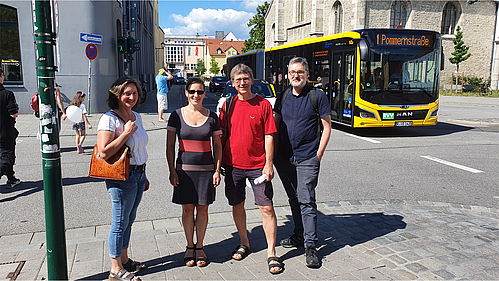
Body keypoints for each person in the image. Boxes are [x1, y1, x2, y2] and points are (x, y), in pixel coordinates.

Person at [219, 64, 283, 274]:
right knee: (238, 205)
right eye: (238, 79)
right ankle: (244, 242)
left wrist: (269, 163)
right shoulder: (228, 105)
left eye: (245, 78)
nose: (242, 83)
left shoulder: (263, 105)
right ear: (232, 83)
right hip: (233, 165)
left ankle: (271, 253)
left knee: (266, 208)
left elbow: (269, 135)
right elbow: (218, 136)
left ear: (252, 80)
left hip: (258, 166)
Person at [273, 57, 331, 268]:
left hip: (307, 157)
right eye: (292, 73)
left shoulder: (318, 96)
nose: (295, 76)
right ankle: (299, 234)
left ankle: (311, 247)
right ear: (288, 75)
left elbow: (326, 127)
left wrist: (318, 155)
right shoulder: (283, 96)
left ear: (307, 74)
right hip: (284, 158)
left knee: (306, 200)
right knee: (293, 198)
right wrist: (272, 156)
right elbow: (275, 127)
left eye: (299, 72)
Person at [166, 78, 222, 267]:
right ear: (186, 93)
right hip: (184, 171)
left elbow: (217, 146)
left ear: (205, 93)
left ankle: (200, 247)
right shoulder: (176, 115)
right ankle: (190, 246)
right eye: (192, 91)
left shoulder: (212, 117)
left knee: (203, 209)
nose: (196, 95)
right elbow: (169, 146)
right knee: (188, 210)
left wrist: (217, 170)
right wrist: (172, 170)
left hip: (206, 171)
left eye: (199, 92)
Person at [97, 77, 148, 281]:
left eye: (134, 93)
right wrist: (126, 133)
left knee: (129, 219)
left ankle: (125, 260)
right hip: (121, 176)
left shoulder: (136, 116)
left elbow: (140, 147)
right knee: (119, 222)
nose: (131, 97)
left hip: (138, 173)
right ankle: (115, 268)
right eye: (127, 93)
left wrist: (145, 175)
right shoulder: (109, 118)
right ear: (117, 95)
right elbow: (103, 152)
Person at [0, 69, 21, 188]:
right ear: (1, 78)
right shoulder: (7, 94)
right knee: (8, 157)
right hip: (5, 132)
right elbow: (13, 113)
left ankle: (11, 178)